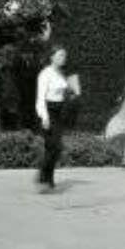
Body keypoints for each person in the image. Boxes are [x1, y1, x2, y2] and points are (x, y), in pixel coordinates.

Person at [35, 47, 80, 192]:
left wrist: (74, 91)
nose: (64, 57)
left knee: (53, 148)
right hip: (49, 111)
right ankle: (43, 176)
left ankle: (49, 179)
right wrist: (44, 117)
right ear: (52, 56)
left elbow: (68, 92)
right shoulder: (45, 74)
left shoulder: (61, 74)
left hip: (60, 112)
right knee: (55, 146)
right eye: (60, 55)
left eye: (64, 55)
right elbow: (40, 98)